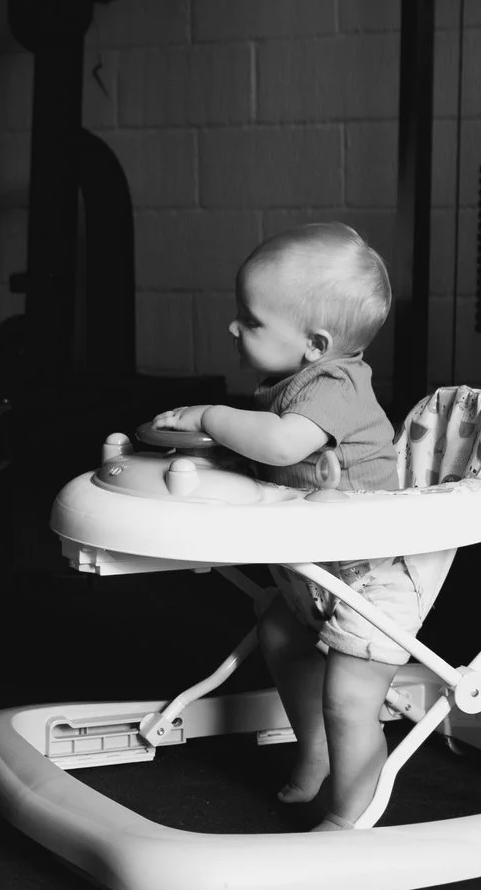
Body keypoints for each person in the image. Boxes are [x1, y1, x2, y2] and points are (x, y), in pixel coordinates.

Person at [147, 223, 429, 829]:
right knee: (279, 634)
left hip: (377, 578)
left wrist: (209, 415)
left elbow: (279, 446)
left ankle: (349, 818)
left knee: (349, 698)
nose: (233, 327)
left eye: (250, 320)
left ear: (315, 344)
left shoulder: (336, 385)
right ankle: (317, 752)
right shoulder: (290, 385)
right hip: (321, 570)